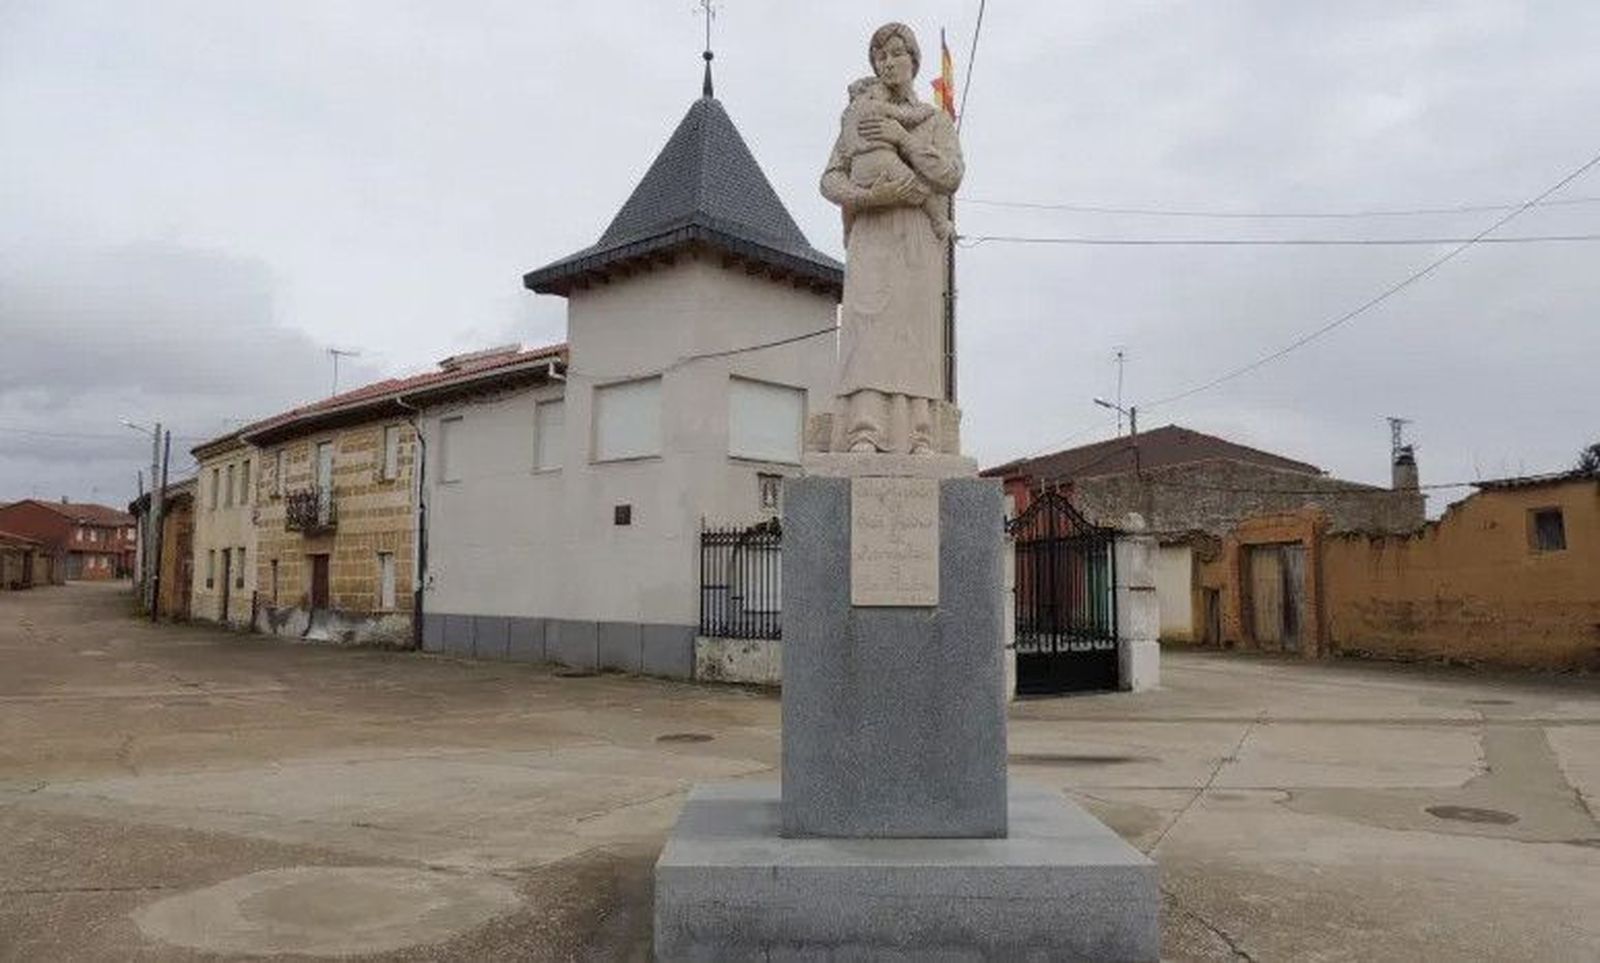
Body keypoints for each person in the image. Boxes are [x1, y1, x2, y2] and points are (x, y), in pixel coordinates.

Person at [820, 22, 964, 455]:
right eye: (880, 56)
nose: (888, 62)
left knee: (913, 337)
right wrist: (870, 195)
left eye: (897, 53)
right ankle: (865, 430)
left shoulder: (935, 121)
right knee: (867, 329)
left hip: (917, 239)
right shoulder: (859, 116)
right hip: (871, 232)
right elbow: (830, 179)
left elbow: (950, 174)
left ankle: (919, 434)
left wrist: (902, 138)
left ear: (914, 61)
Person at [835, 76, 952, 244]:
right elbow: (908, 116)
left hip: (858, 167)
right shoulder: (874, 106)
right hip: (882, 159)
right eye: (881, 90)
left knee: (849, 203)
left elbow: (845, 145)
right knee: (916, 186)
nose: (886, 94)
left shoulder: (846, 116)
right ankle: (939, 222)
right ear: (870, 93)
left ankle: (848, 233)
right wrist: (928, 111)